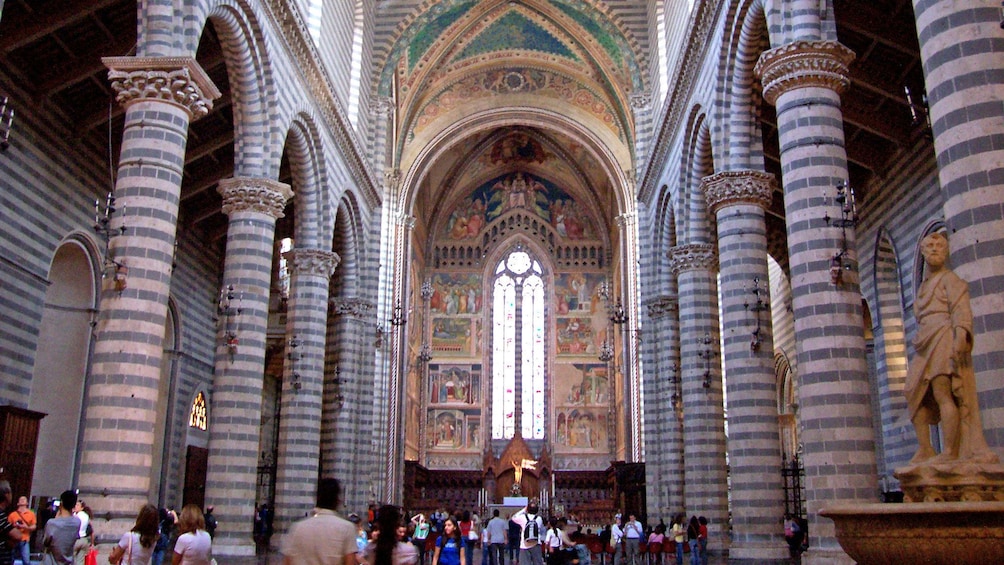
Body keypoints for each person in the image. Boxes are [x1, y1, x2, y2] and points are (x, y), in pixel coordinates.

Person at [905, 232, 998, 465]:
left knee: (942, 391)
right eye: (930, 247)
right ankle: (926, 448)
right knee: (912, 391)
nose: (935, 250)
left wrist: (961, 334)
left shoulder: (950, 279)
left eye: (940, 246)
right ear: (924, 253)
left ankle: (949, 451)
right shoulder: (925, 286)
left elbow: (960, 308)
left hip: (943, 335)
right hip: (926, 339)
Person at [281, 478, 356, 565]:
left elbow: (287, 561)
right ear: (337, 499)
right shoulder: (347, 528)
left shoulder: (297, 527)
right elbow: (350, 562)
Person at [42, 491, 81, 565]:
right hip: (69, 561)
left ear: (61, 503)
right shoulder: (77, 522)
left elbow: (45, 542)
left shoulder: (52, 523)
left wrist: (56, 517)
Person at [9, 496, 37, 565]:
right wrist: (14, 526)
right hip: (13, 540)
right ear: (18, 503)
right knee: (10, 560)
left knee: (26, 561)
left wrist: (26, 527)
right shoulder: (12, 514)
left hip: (25, 540)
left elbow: (34, 526)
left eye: (24, 499)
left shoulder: (31, 514)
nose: (22, 500)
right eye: (20, 499)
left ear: (27, 503)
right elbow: (8, 527)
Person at [71, 499, 91, 565]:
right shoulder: (86, 516)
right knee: (80, 561)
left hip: (76, 539)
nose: (75, 506)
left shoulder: (76, 516)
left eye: (77, 505)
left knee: (71, 559)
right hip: (84, 540)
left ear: (82, 508)